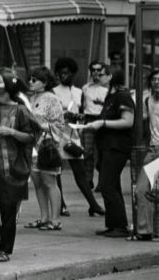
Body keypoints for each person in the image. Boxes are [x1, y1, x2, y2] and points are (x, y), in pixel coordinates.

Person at [0, 68, 39, 262]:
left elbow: (32, 136)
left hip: (12, 167)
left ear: (9, 86)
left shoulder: (20, 110)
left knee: (8, 210)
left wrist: (11, 132)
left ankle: (3, 248)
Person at [52, 58, 105, 217]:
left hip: (73, 135)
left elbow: (81, 113)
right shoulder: (53, 91)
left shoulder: (79, 92)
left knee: (80, 171)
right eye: (61, 73)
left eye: (67, 73)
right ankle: (61, 205)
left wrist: (77, 116)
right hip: (56, 134)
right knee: (57, 172)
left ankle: (93, 204)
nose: (63, 75)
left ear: (73, 74)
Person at [86, 65, 134, 238]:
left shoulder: (122, 95)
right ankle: (114, 224)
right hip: (107, 145)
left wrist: (103, 123)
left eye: (103, 73)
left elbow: (128, 121)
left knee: (107, 185)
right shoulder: (111, 95)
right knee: (112, 185)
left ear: (112, 76)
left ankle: (120, 226)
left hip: (117, 146)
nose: (98, 76)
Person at [25, 67, 64, 231]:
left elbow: (59, 124)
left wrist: (42, 126)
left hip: (47, 144)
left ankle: (55, 220)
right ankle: (44, 217)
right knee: (37, 182)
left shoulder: (52, 99)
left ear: (45, 83)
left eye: (35, 80)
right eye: (30, 79)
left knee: (49, 182)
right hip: (33, 144)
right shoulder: (31, 98)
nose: (30, 82)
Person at [135, 69, 159, 240]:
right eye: (154, 79)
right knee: (142, 189)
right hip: (153, 150)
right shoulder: (147, 100)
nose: (157, 82)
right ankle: (144, 231)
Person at [81, 61, 108, 190]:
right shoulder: (85, 88)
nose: (96, 72)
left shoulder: (107, 88)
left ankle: (102, 181)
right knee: (87, 152)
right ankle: (88, 180)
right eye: (94, 70)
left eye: (99, 70)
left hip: (103, 121)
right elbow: (82, 106)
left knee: (102, 152)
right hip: (89, 120)